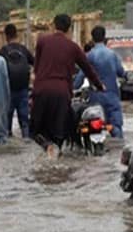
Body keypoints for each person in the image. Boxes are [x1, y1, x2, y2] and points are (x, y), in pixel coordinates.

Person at [31, 14, 105, 157]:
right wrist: (100, 86)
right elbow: (88, 69)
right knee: (60, 133)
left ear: (53, 26)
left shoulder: (42, 41)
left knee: (35, 130)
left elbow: (36, 68)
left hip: (41, 91)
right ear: (69, 28)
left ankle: (47, 146)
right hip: (61, 93)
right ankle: (56, 153)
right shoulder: (73, 47)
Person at [75, 25, 126, 138]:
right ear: (104, 37)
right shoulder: (112, 55)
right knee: (116, 127)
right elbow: (121, 72)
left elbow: (80, 78)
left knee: (94, 128)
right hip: (112, 96)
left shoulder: (89, 56)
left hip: (96, 98)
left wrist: (72, 88)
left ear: (92, 39)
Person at [0, 23, 35, 138]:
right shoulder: (23, 49)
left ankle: (9, 139)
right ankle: (26, 138)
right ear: (16, 34)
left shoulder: (2, 52)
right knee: (24, 120)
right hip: (23, 89)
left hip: (8, 91)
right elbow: (35, 63)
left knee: (7, 121)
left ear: (6, 36)